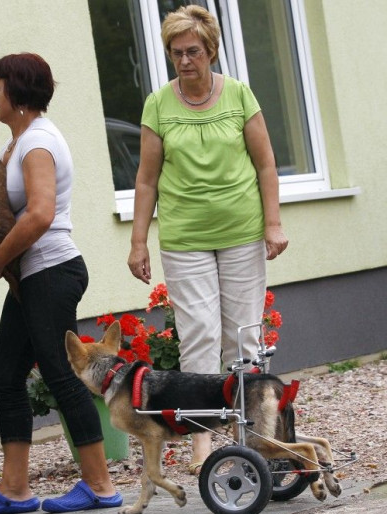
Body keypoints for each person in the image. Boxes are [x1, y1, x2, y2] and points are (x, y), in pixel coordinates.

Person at [0, 52, 122, 514]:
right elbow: (7, 202)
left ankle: (101, 485)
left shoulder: (38, 144)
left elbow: (41, 214)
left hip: (51, 270)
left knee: (61, 373)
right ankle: (14, 489)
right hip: (34, 276)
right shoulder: (19, 142)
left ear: (17, 92)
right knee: (5, 374)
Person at [126, 5, 289, 474]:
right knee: (198, 336)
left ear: (211, 50)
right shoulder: (158, 104)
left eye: (192, 51)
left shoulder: (239, 95)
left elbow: (266, 165)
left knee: (245, 337)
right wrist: (138, 242)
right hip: (185, 239)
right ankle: (202, 446)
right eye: (176, 53)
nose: (184, 60)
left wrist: (273, 224)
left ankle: (257, 439)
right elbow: (146, 180)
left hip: (241, 232)